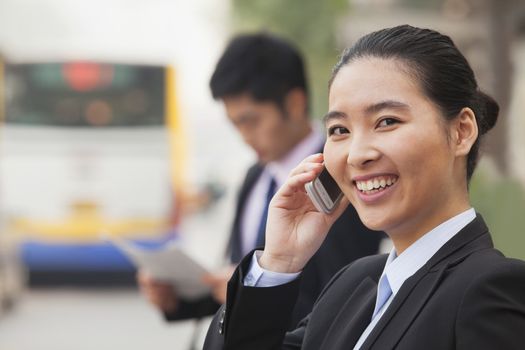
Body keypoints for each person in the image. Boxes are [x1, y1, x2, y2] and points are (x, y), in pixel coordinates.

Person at [203, 25, 525, 349]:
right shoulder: (352, 285)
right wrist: (278, 263)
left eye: (386, 121)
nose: (357, 154)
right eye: (340, 129)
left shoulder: (491, 290)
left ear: (461, 131)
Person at [138, 33, 384, 329]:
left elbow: (345, 302)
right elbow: (238, 275)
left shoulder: (338, 178)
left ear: (294, 103)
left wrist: (254, 289)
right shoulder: (255, 176)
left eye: (251, 121)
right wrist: (177, 299)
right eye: (235, 124)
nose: (244, 136)